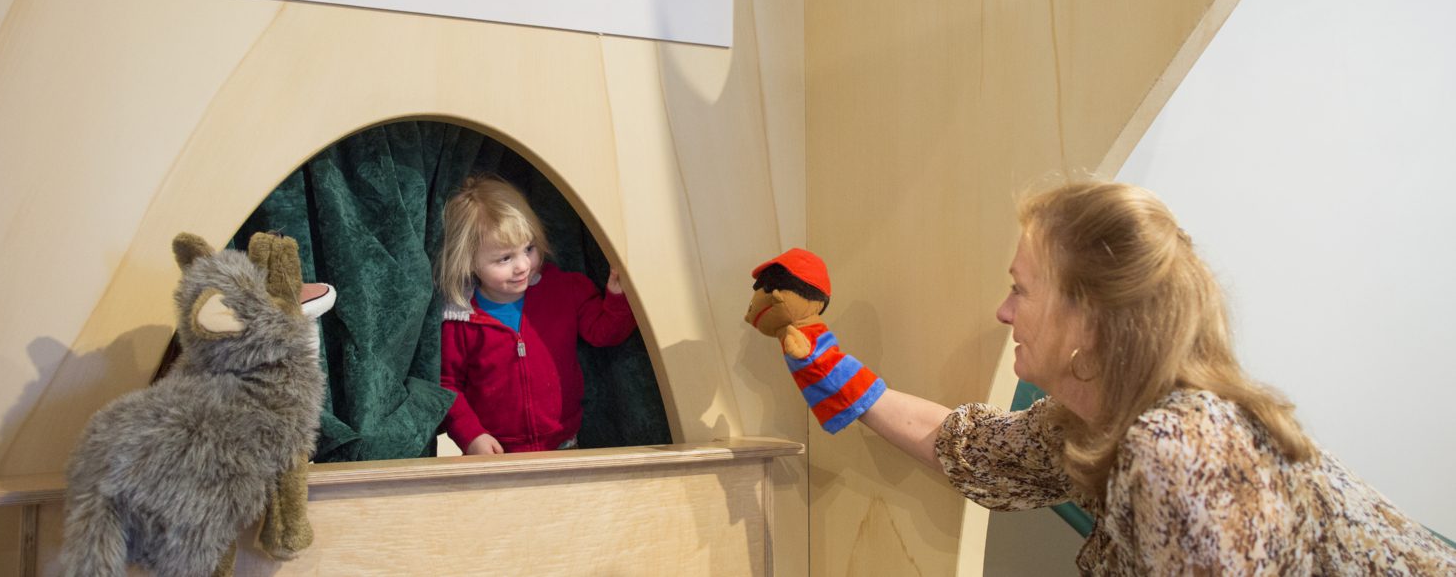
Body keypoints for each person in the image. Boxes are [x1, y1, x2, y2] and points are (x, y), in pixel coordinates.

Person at [751, 180, 1456, 574]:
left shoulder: (1185, 451)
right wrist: (846, 381)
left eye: (1021, 290)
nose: (1003, 312)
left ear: (1087, 321)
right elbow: (972, 448)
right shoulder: (1099, 413)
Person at [437, 176, 636, 455]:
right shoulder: (460, 319)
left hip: (564, 444)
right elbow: (447, 385)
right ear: (468, 260)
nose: (522, 266)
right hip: (497, 454)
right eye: (504, 258)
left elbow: (604, 332)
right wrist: (471, 436)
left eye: (529, 249)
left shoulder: (564, 290)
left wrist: (618, 296)